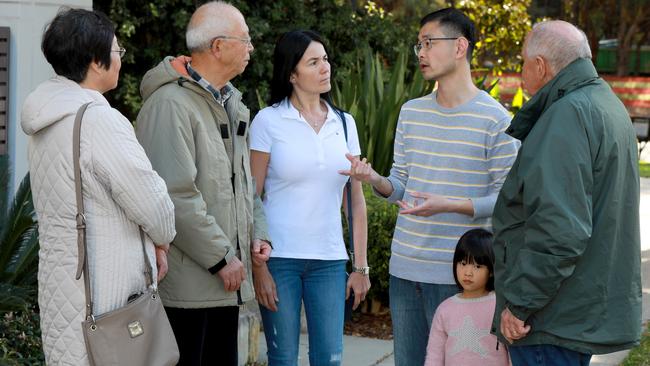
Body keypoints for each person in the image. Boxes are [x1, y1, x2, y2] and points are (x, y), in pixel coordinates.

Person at [340, 8, 519, 365]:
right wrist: (375, 180)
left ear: (459, 47)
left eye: (428, 43)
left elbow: (509, 200)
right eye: (417, 44)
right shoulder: (411, 112)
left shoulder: (495, 119)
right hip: (405, 267)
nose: (420, 52)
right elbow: (402, 184)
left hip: (462, 274)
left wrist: (452, 204)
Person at [20, 8, 176, 365]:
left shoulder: (46, 118)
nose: (121, 59)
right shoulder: (99, 119)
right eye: (117, 51)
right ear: (96, 61)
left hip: (64, 286)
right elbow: (152, 204)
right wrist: (163, 239)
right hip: (106, 300)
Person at [491, 20, 641, 365]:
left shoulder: (566, 115)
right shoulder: (605, 103)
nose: (522, 71)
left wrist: (519, 305)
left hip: (550, 319)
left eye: (523, 62)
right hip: (575, 312)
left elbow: (560, 231)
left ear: (540, 66)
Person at [134, 2, 271, 365]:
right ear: (218, 46)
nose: (251, 49)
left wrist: (259, 234)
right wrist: (222, 257)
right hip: (189, 288)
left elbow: (242, 184)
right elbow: (174, 196)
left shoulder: (230, 102)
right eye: (245, 40)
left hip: (223, 282)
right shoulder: (169, 104)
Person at [249, 30, 370, 366]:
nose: (324, 68)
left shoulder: (344, 124)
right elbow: (250, 197)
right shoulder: (268, 121)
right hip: (279, 260)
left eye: (326, 59)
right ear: (291, 73)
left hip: (330, 262)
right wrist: (259, 268)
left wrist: (360, 266)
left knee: (329, 358)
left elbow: (356, 203)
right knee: (283, 357)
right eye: (313, 62)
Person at [424, 229, 509, 366]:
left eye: (477, 266)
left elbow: (512, 350)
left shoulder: (500, 305)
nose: (468, 273)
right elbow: (434, 355)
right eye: (463, 264)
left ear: (492, 271)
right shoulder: (445, 309)